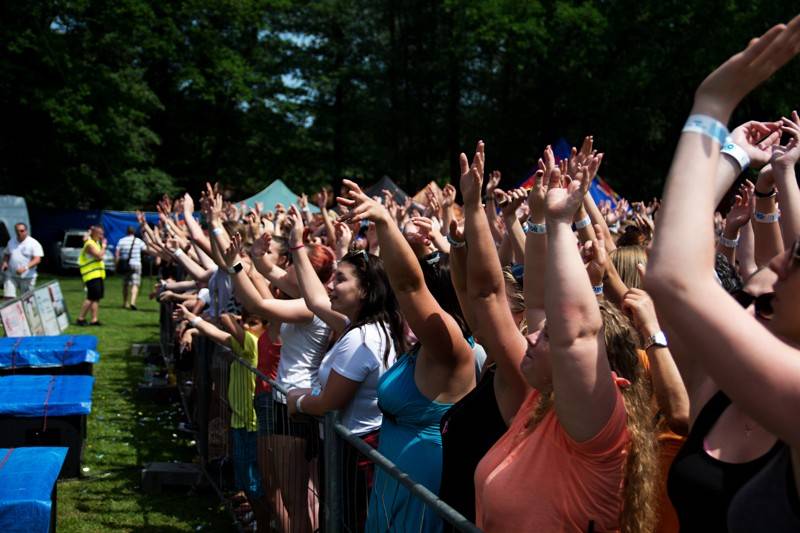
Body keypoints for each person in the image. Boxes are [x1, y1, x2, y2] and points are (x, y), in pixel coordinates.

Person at [646, 16, 800, 531]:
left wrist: (711, 108)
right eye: (748, 303)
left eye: (792, 264)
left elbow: (673, 274)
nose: (776, 261)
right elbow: (676, 258)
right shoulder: (722, 384)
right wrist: (735, 156)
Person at [471, 141, 659, 532]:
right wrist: (539, 218)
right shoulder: (544, 400)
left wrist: (560, 222)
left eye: (549, 339)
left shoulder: (595, 429)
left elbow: (576, 335)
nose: (533, 336)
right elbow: (540, 304)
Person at [337, 182, 476, 533]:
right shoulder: (428, 346)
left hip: (420, 482)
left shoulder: (450, 345)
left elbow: (409, 286)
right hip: (396, 475)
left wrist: (385, 222)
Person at [278, 206, 404, 532]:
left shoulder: (360, 339)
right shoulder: (372, 326)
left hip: (356, 455)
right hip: (355, 449)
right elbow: (317, 300)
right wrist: (297, 246)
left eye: (340, 280)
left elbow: (329, 403)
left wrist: (299, 401)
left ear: (364, 290)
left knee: (350, 524)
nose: (331, 285)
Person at [2, 222, 43, 298]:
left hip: (27, 277)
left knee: (27, 300)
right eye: (17, 231)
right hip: (11, 275)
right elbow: (7, 254)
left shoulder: (33, 243)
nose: (19, 233)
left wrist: (25, 268)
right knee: (8, 298)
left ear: (26, 231)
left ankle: (29, 310)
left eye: (22, 231)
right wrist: (5, 262)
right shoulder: (11, 242)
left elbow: (37, 259)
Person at [77, 225, 107, 326]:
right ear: (94, 233)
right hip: (91, 275)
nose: (102, 236)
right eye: (100, 234)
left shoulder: (95, 242)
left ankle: (94, 319)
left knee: (96, 297)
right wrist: (104, 247)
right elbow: (99, 256)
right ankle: (80, 318)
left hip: (97, 274)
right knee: (91, 297)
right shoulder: (90, 244)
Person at [115, 226, 146, 310]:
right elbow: (145, 250)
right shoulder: (139, 241)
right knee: (135, 284)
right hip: (136, 263)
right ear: (134, 232)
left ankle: (125, 302)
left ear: (127, 232)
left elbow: (117, 253)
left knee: (125, 284)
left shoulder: (121, 241)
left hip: (126, 265)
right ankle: (133, 302)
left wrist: (116, 264)